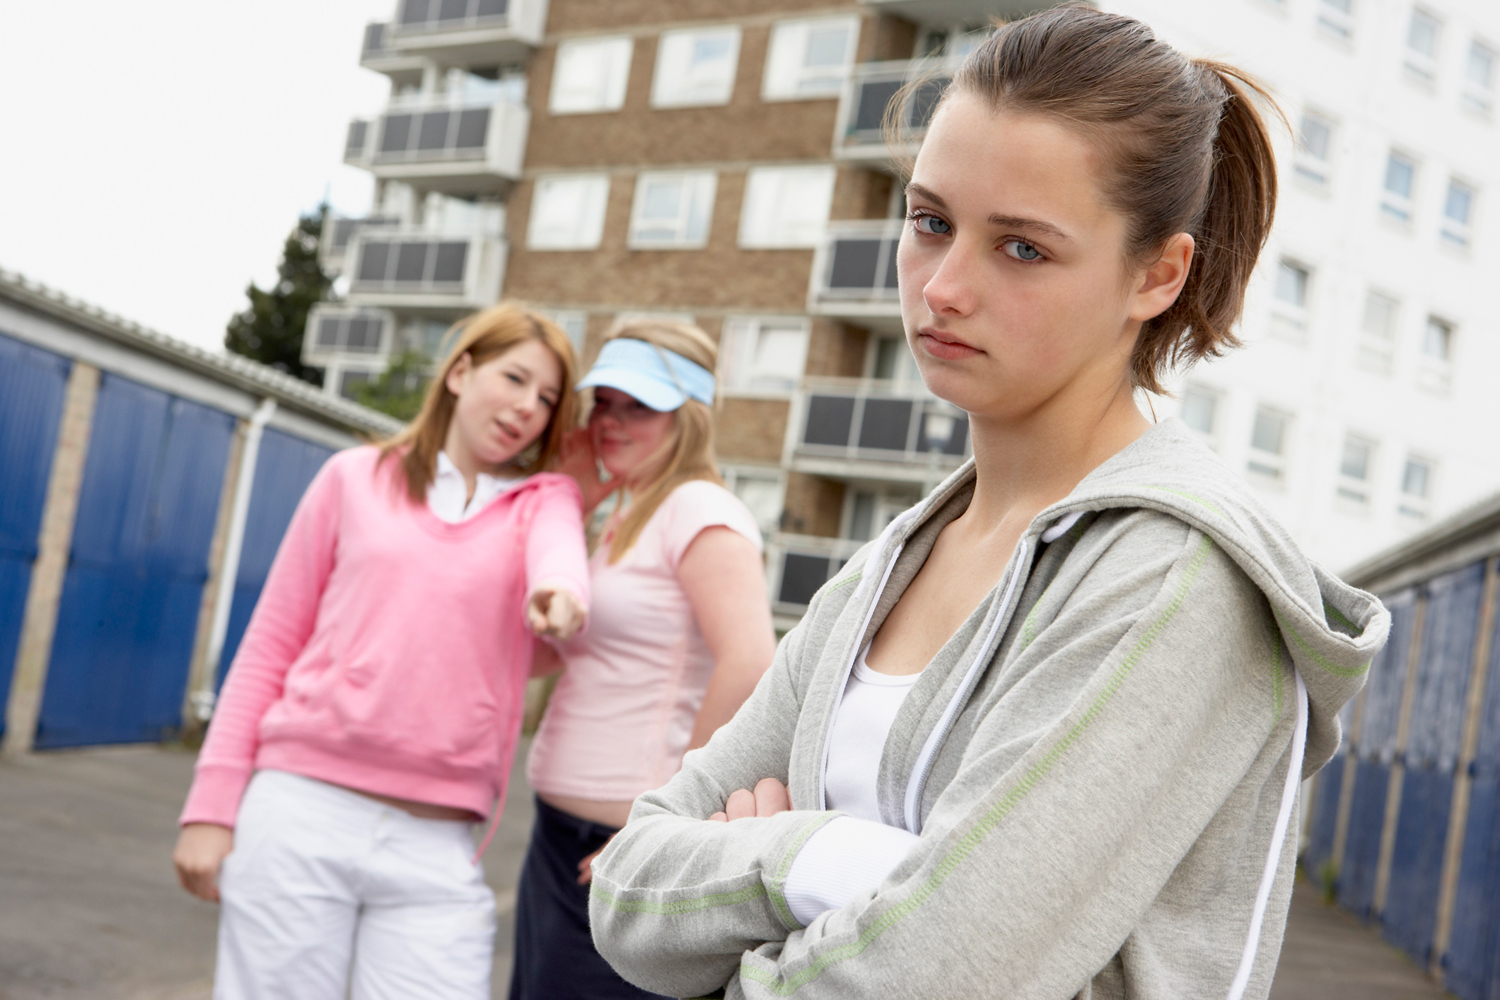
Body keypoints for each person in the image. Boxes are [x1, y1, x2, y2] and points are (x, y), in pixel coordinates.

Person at [587, 8, 1391, 1000]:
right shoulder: (896, 560)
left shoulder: (1172, 578)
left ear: (1158, 273)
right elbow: (626, 889)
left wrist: (752, 882)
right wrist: (816, 858)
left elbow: (940, 974)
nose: (944, 287)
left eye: (1022, 249)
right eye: (930, 222)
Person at [172, 303, 591, 1000]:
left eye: (547, 399)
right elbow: (270, 644)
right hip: (299, 813)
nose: (527, 407)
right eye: (514, 378)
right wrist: (210, 809)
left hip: (437, 845)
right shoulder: (352, 478)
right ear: (460, 371)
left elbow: (561, 562)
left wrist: (560, 593)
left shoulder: (542, 501)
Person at [508, 319, 778, 1000]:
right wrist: (570, 506)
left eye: (639, 407)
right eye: (603, 402)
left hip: (620, 847)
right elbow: (540, 656)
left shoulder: (699, 508)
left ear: (688, 417)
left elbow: (748, 663)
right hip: (559, 840)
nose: (610, 422)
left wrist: (657, 831)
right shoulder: (626, 517)